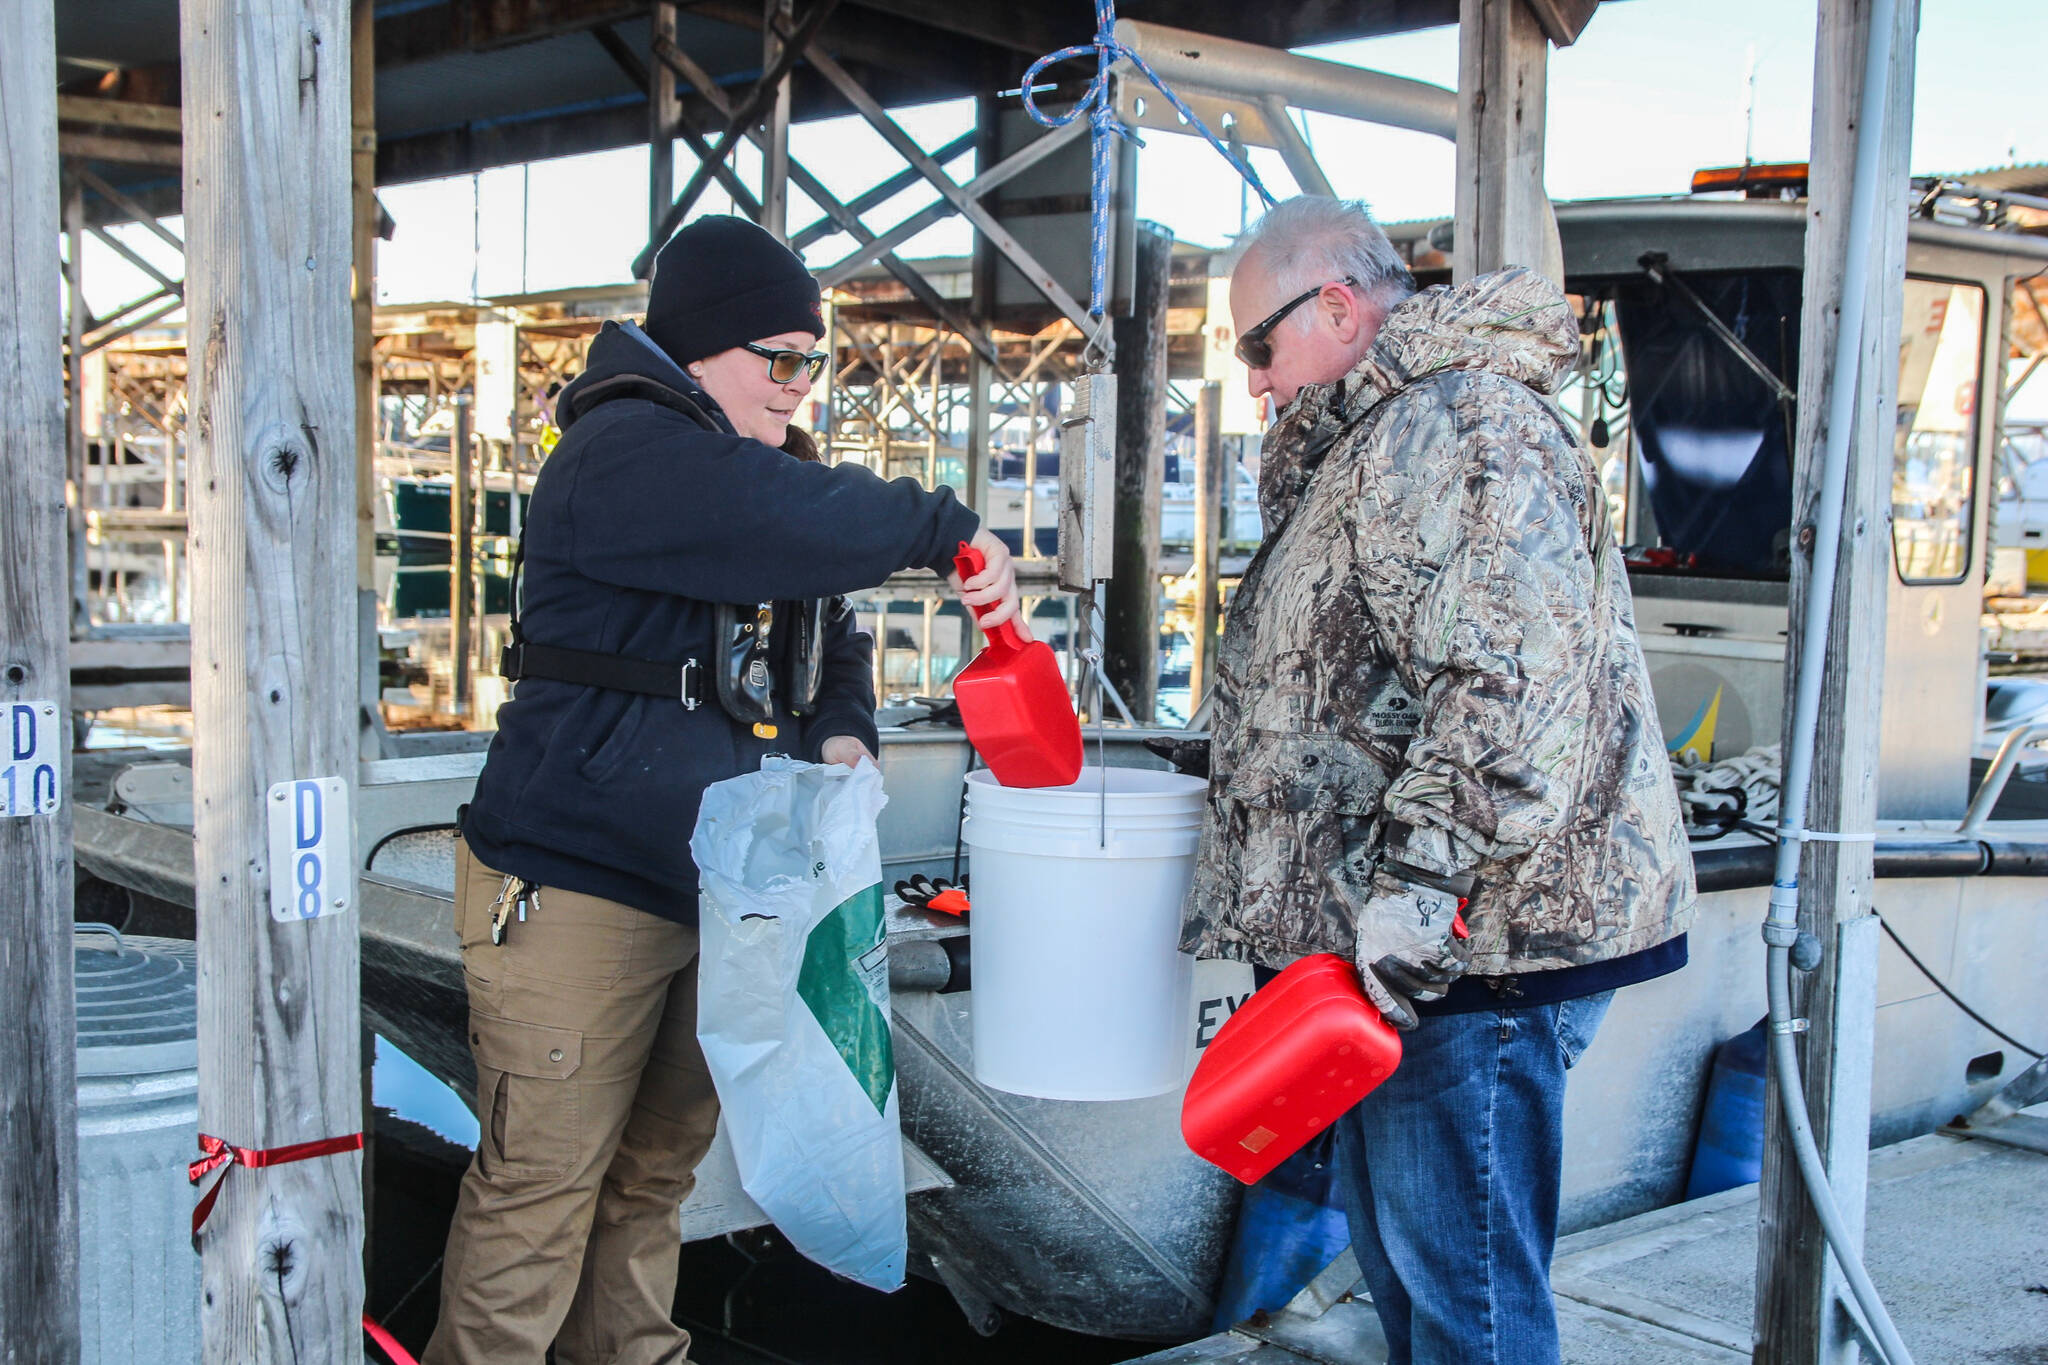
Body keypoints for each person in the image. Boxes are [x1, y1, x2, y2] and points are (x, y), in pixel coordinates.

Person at [424, 215, 1024, 1365]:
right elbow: (778, 521)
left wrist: (843, 732)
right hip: (573, 888)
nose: (801, 386)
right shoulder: (625, 453)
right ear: (701, 350)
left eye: (814, 363)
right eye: (783, 357)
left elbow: (829, 630)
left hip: (712, 886)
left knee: (650, 1179)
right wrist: (941, 524)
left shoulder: (754, 477)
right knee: (539, 1190)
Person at [1180, 196, 1695, 1365]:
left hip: (1472, 950)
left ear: (1337, 307)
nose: (1252, 382)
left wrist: (1420, 888)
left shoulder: (1458, 428)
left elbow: (1508, 680)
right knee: (1416, 1283)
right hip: (1397, 959)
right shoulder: (1379, 436)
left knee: (1467, 1301)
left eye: (1255, 347)